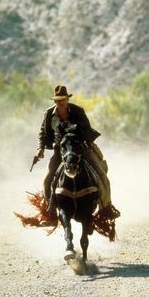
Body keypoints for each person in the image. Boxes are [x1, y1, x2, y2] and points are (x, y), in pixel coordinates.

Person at [35, 85, 114, 223]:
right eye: (58, 100)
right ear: (54, 101)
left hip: (81, 149)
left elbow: (87, 129)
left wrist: (75, 135)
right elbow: (43, 132)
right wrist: (40, 148)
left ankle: (106, 209)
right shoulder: (48, 114)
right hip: (61, 151)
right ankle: (51, 215)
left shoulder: (78, 111)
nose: (61, 102)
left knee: (102, 176)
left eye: (63, 99)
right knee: (47, 180)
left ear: (67, 99)